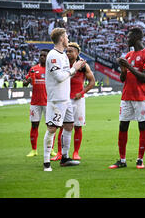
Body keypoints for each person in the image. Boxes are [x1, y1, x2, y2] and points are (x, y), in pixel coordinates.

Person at [109, 27, 145, 169]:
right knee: (123, 126)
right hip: (127, 96)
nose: (127, 39)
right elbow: (123, 79)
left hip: (141, 97)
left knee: (142, 126)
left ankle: (140, 159)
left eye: (129, 37)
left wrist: (128, 66)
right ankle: (122, 160)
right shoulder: (128, 55)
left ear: (136, 37)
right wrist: (123, 70)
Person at [43, 28, 85, 171]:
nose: (68, 38)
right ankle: (46, 162)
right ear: (61, 38)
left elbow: (67, 75)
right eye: (66, 36)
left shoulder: (63, 56)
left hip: (65, 99)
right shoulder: (53, 55)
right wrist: (74, 68)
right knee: (52, 128)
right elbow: (59, 77)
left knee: (69, 126)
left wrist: (76, 68)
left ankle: (65, 158)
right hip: (56, 100)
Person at [66, 42, 95, 160]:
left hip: (78, 100)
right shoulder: (63, 63)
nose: (68, 53)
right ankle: (60, 153)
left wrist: (82, 93)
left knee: (78, 126)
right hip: (65, 99)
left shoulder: (83, 65)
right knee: (63, 127)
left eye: (70, 51)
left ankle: (76, 152)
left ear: (77, 53)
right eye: (67, 51)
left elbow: (92, 82)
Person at [24, 48, 50, 157]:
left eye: (44, 55)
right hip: (35, 102)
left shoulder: (51, 70)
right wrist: (28, 81)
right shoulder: (33, 69)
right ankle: (34, 150)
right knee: (34, 125)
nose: (42, 57)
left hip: (49, 102)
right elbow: (25, 83)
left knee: (51, 126)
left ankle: (51, 149)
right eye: (41, 55)